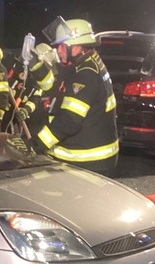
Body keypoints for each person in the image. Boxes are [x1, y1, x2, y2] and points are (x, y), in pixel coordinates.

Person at [32, 17, 119, 176]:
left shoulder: (86, 74)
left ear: (77, 47)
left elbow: (70, 120)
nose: (58, 51)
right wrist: (37, 68)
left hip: (87, 160)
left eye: (62, 47)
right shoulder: (84, 63)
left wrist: (36, 144)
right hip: (91, 156)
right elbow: (55, 89)